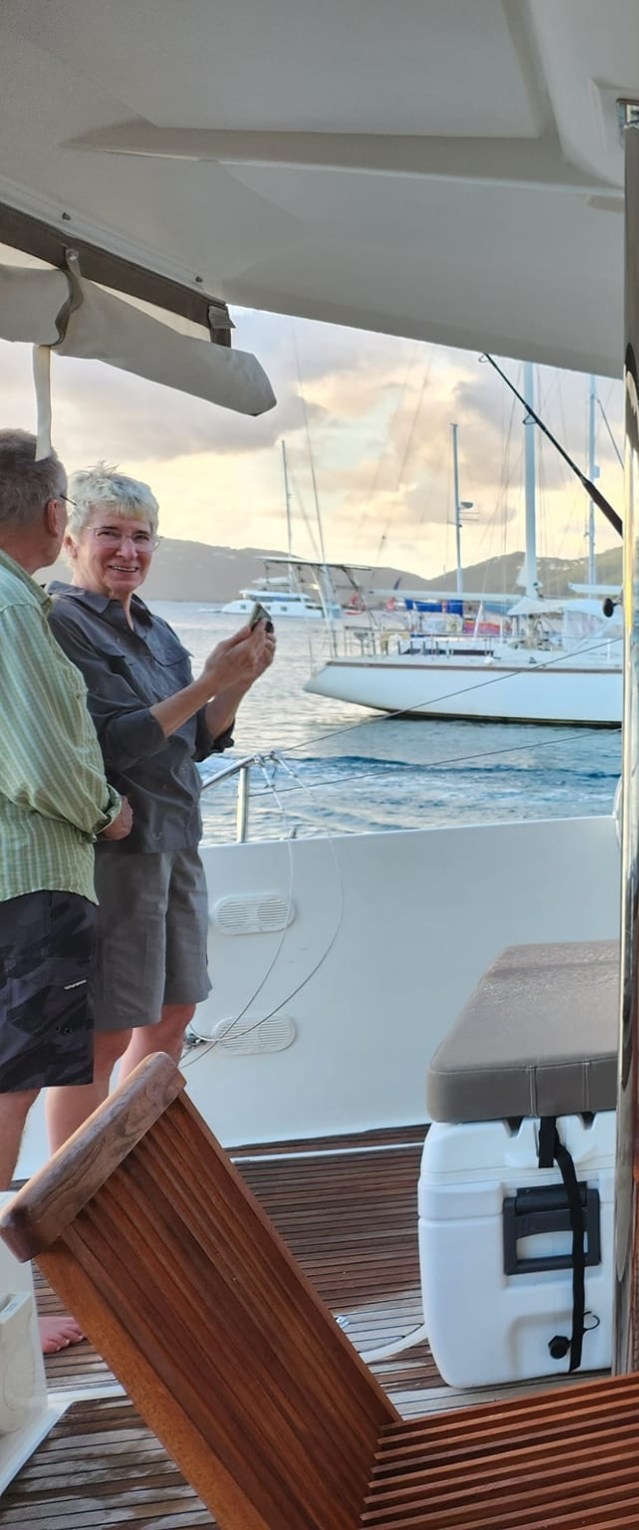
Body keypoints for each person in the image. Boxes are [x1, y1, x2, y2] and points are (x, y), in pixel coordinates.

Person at [42, 468, 274, 1150]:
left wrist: (237, 684)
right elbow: (118, 741)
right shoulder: (63, 625)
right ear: (72, 540)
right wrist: (209, 681)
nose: (127, 551)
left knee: (175, 1012)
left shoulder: (155, 628)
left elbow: (195, 741)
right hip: (115, 852)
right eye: (109, 533)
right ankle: (72, 1194)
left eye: (141, 537)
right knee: (104, 1030)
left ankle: (129, 1165)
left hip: (177, 841)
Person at [0, 430, 131, 1353]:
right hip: (32, 877)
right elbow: (46, 761)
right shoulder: (12, 608)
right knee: (9, 1087)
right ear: (56, 517)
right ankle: (6, 1312)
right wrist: (110, 809)